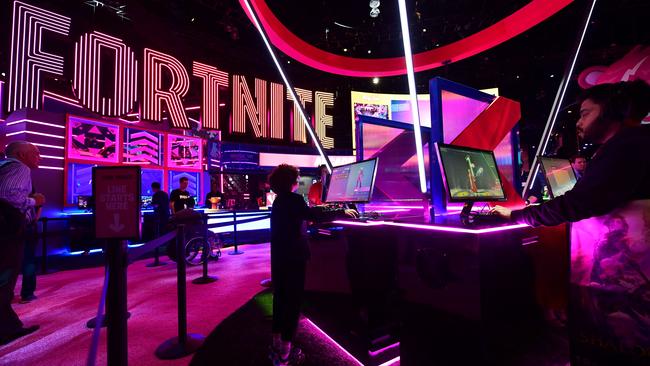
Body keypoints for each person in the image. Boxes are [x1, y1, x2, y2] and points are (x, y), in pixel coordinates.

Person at [493, 81, 650, 361]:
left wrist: (517, 215)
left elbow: (577, 204)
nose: (578, 122)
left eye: (585, 113)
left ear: (611, 111)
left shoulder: (627, 144)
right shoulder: (634, 141)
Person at [0, 141, 43, 344]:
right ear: (20, 154)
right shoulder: (20, 167)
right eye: (35, 153)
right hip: (8, 234)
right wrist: (36, 201)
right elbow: (11, 197)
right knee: (5, 279)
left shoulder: (4, 166)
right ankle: (6, 329)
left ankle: (9, 325)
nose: (39, 157)